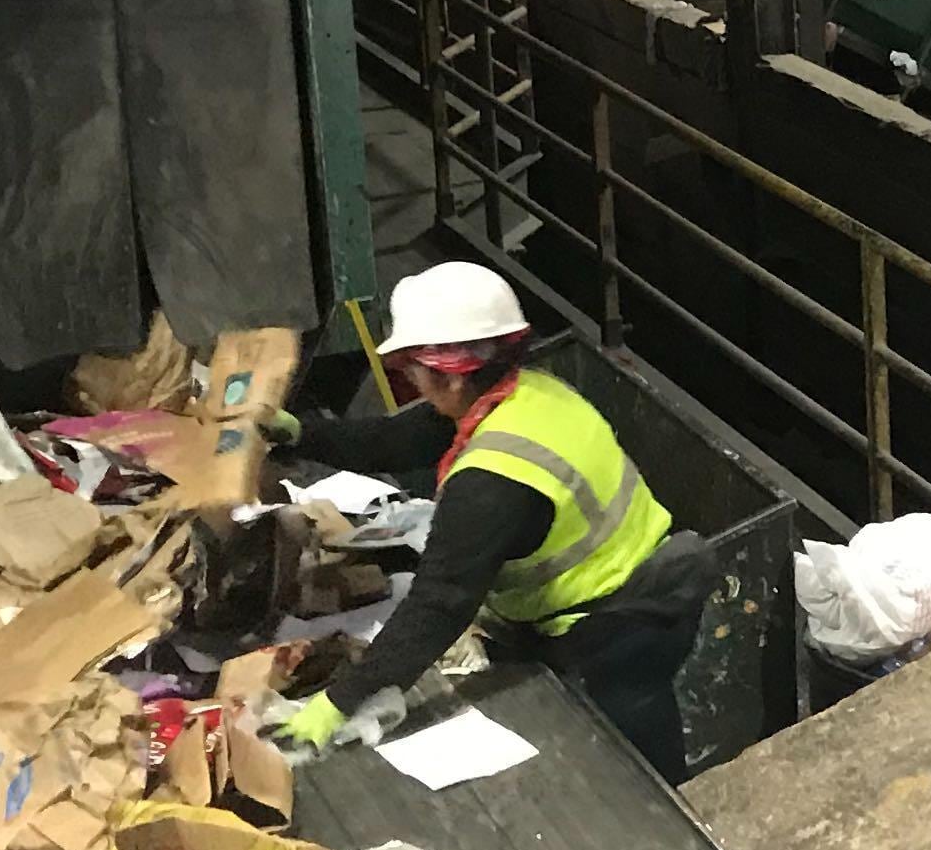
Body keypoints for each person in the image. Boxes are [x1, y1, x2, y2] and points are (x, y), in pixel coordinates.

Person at [264, 262, 716, 779]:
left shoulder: (490, 484)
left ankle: (680, 804)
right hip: (652, 582)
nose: (408, 379)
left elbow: (439, 605)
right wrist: (301, 434)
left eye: (411, 367)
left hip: (618, 628)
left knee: (641, 772)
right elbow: (393, 440)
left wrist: (335, 704)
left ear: (447, 377)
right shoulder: (527, 393)